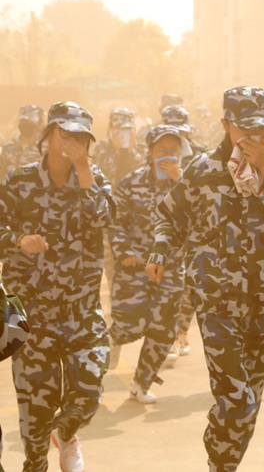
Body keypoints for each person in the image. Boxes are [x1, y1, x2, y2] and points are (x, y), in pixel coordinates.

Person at [146, 86, 264, 471]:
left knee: (248, 401)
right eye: (247, 130)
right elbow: (169, 216)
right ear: (225, 125)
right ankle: (220, 462)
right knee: (235, 401)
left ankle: (222, 463)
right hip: (218, 303)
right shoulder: (203, 169)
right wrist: (159, 251)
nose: (257, 139)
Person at [0, 101, 112, 472]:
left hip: (81, 310)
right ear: (49, 135)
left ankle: (66, 434)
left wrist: (83, 170)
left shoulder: (94, 179)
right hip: (30, 314)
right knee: (36, 413)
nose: (72, 143)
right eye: (66, 134)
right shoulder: (19, 181)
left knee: (90, 389)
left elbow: (103, 218)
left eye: (81, 137)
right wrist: (18, 239)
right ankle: (36, 460)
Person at [107, 125, 192, 403]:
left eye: (174, 151)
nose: (168, 156)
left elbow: (199, 219)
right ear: (150, 152)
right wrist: (124, 252)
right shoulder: (131, 182)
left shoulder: (187, 184)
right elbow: (115, 222)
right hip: (135, 266)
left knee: (164, 330)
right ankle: (106, 344)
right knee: (131, 325)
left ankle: (141, 384)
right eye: (162, 151)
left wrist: (180, 181)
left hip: (170, 268)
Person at [160, 103, 207, 359]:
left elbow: (204, 196)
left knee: (187, 288)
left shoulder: (202, 157)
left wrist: (179, 177)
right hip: (164, 233)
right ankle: (172, 333)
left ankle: (180, 333)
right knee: (168, 288)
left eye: (182, 131)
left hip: (194, 233)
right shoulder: (154, 151)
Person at [93, 107, 142, 187]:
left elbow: (141, 176)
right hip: (110, 195)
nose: (123, 133)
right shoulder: (102, 147)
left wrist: (131, 152)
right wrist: (115, 151)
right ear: (112, 128)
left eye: (127, 129)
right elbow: (99, 176)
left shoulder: (140, 148)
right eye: (118, 128)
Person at [0, 105, 45, 177]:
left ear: (40, 124)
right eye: (23, 121)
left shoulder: (47, 149)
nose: (25, 125)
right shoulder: (8, 146)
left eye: (29, 122)